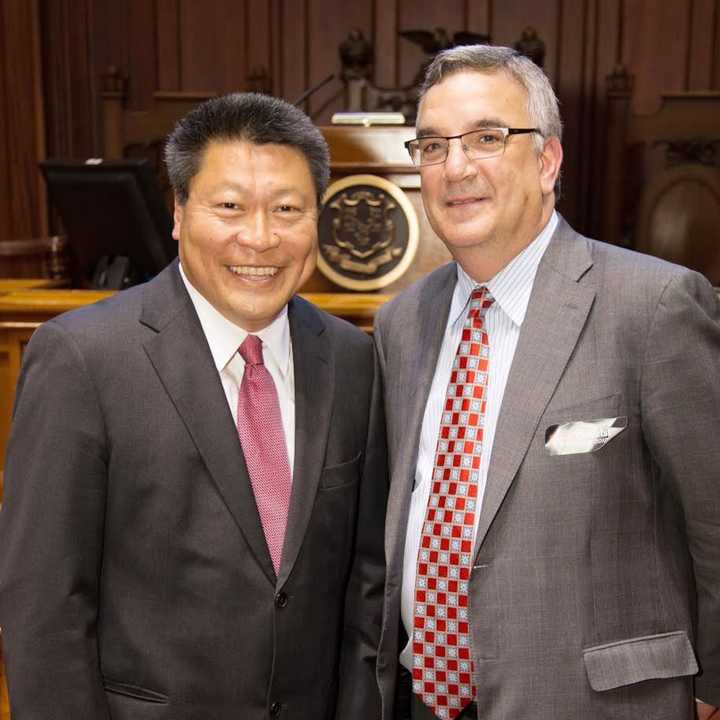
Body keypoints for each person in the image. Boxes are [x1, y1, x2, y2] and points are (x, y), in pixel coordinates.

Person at [0, 92, 387, 720]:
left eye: (288, 209)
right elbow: (45, 607)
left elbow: (365, 589)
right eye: (230, 206)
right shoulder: (82, 359)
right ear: (178, 213)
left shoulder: (352, 360)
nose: (260, 238)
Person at [374, 44, 720, 720]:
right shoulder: (401, 323)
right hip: (423, 699)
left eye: (486, 138)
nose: (457, 168)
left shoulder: (652, 307)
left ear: (547, 159)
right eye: (434, 146)